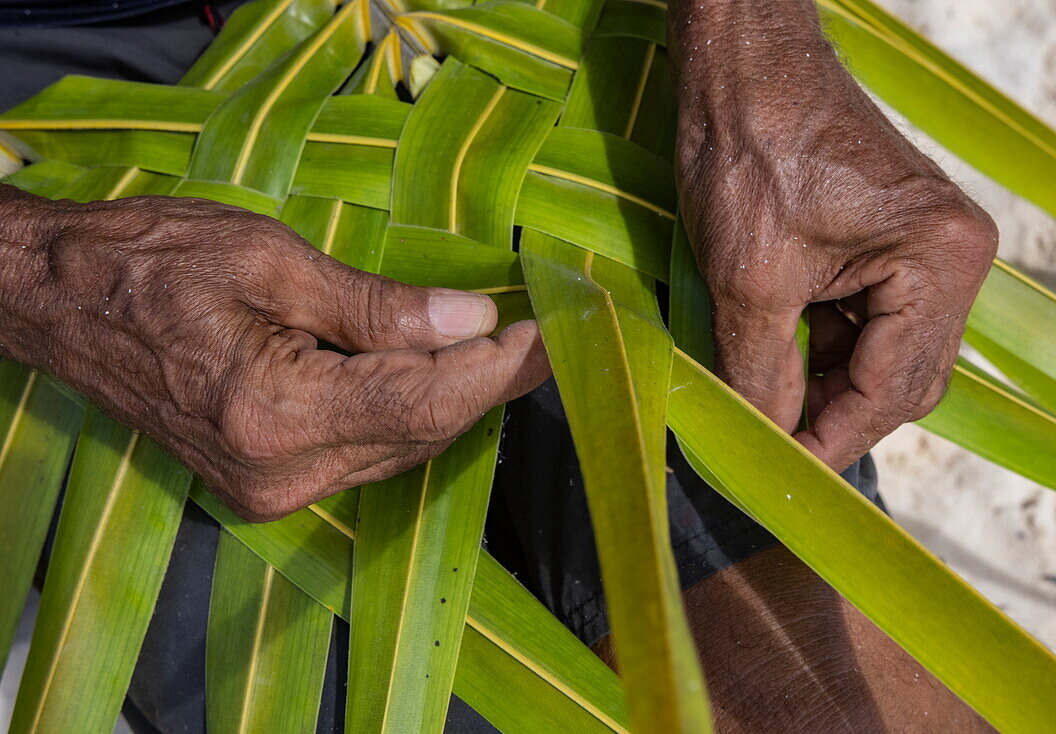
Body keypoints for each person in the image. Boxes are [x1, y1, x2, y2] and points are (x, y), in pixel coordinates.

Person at [0, 0, 998, 731]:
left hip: (472, 42)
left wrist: (753, 43)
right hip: (39, 149)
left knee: (812, 696)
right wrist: (45, 273)